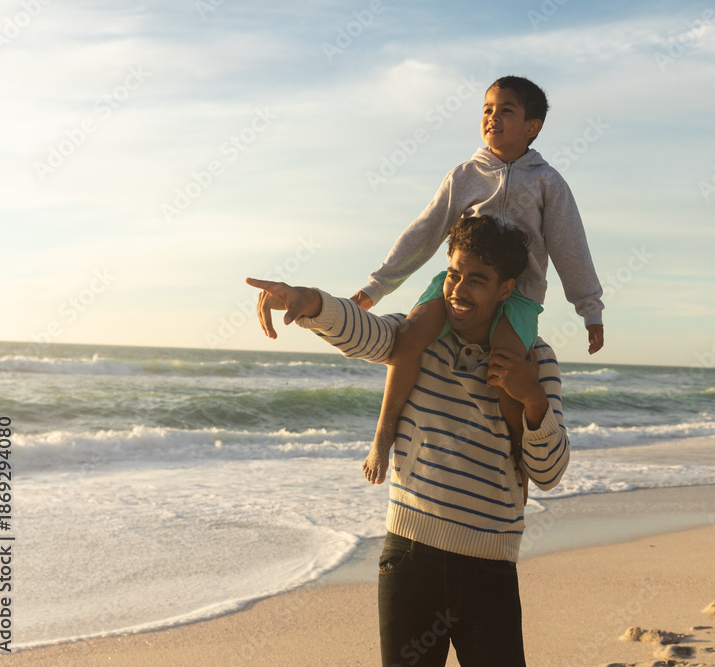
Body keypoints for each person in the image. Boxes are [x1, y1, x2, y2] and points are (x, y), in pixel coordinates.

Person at [246, 214, 569, 666]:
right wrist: (312, 302)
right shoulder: (418, 339)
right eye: (453, 275)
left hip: (490, 568)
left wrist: (532, 396)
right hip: (411, 558)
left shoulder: (536, 359)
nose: (458, 290)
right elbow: (365, 333)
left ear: (505, 289)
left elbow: (549, 473)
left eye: (476, 280)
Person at [353, 75, 603, 488]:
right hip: (459, 282)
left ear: (532, 126)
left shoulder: (548, 183)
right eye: (487, 109)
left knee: (506, 364)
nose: (493, 117)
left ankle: (519, 455)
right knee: (411, 334)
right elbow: (425, 231)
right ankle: (382, 435)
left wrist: (589, 309)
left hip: (519, 296)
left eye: (506, 110)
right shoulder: (466, 174)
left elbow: (570, 246)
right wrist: (379, 285)